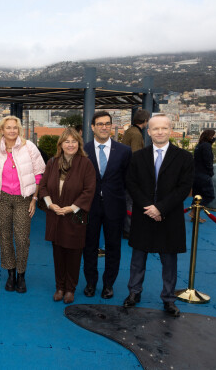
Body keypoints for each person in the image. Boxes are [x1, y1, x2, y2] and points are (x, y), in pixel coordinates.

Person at [123, 114, 194, 317]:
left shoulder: (184, 158)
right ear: (149, 131)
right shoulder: (138, 157)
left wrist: (160, 208)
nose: (160, 132)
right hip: (143, 215)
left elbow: (184, 188)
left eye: (164, 128)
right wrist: (148, 207)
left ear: (170, 130)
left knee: (169, 261)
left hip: (169, 216)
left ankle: (169, 299)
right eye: (155, 129)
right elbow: (131, 184)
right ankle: (134, 293)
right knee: (138, 259)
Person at [38, 128, 96, 304]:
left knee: (73, 254)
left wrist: (71, 208)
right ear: (60, 145)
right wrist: (50, 204)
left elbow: (89, 190)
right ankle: (60, 287)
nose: (70, 145)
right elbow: (43, 186)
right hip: (56, 215)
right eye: (66, 141)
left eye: (74, 141)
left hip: (74, 216)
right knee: (58, 254)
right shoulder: (53, 162)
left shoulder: (85, 164)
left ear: (78, 144)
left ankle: (70, 289)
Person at [0, 116, 45, 294]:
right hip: (2, 199)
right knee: (5, 238)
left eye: (15, 127)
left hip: (24, 199)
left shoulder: (29, 147)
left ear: (19, 130)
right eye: (8, 128)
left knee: (22, 239)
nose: (12, 131)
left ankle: (21, 275)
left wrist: (34, 199)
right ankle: (10, 274)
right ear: (2, 130)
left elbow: (39, 173)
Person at [82, 112, 132, 300]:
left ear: (111, 126)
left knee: (114, 247)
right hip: (90, 206)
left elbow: (128, 180)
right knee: (89, 246)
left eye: (107, 124)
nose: (104, 127)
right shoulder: (83, 150)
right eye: (100, 124)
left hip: (115, 206)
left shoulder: (124, 151)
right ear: (92, 127)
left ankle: (108, 284)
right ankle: (90, 283)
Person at [121, 108, 150, 238]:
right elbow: (136, 156)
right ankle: (129, 229)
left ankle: (127, 227)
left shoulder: (129, 131)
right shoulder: (137, 135)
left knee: (128, 201)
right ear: (145, 121)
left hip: (125, 172)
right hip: (131, 175)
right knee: (131, 202)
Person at [192, 129, 216, 216]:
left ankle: (194, 215)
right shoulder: (206, 146)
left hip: (196, 174)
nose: (214, 138)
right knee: (209, 196)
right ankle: (194, 212)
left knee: (197, 196)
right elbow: (208, 161)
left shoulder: (199, 145)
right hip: (204, 175)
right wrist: (210, 173)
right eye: (213, 136)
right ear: (209, 136)